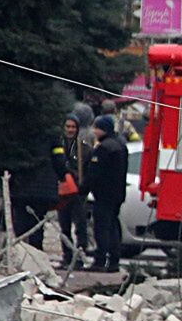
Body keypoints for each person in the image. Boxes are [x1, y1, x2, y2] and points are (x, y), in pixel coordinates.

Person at [83, 113, 129, 272]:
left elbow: (94, 173)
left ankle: (100, 260)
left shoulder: (104, 148)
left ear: (104, 129)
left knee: (102, 227)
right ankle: (114, 260)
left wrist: (83, 189)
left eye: (97, 128)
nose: (94, 131)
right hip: (117, 194)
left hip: (104, 194)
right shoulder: (120, 145)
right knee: (113, 226)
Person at [51, 112, 92, 265]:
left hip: (78, 193)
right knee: (64, 226)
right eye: (67, 126)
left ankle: (80, 256)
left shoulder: (84, 149)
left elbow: (88, 170)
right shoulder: (59, 146)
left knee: (80, 226)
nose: (70, 130)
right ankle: (67, 256)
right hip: (62, 192)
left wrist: (83, 187)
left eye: (73, 127)